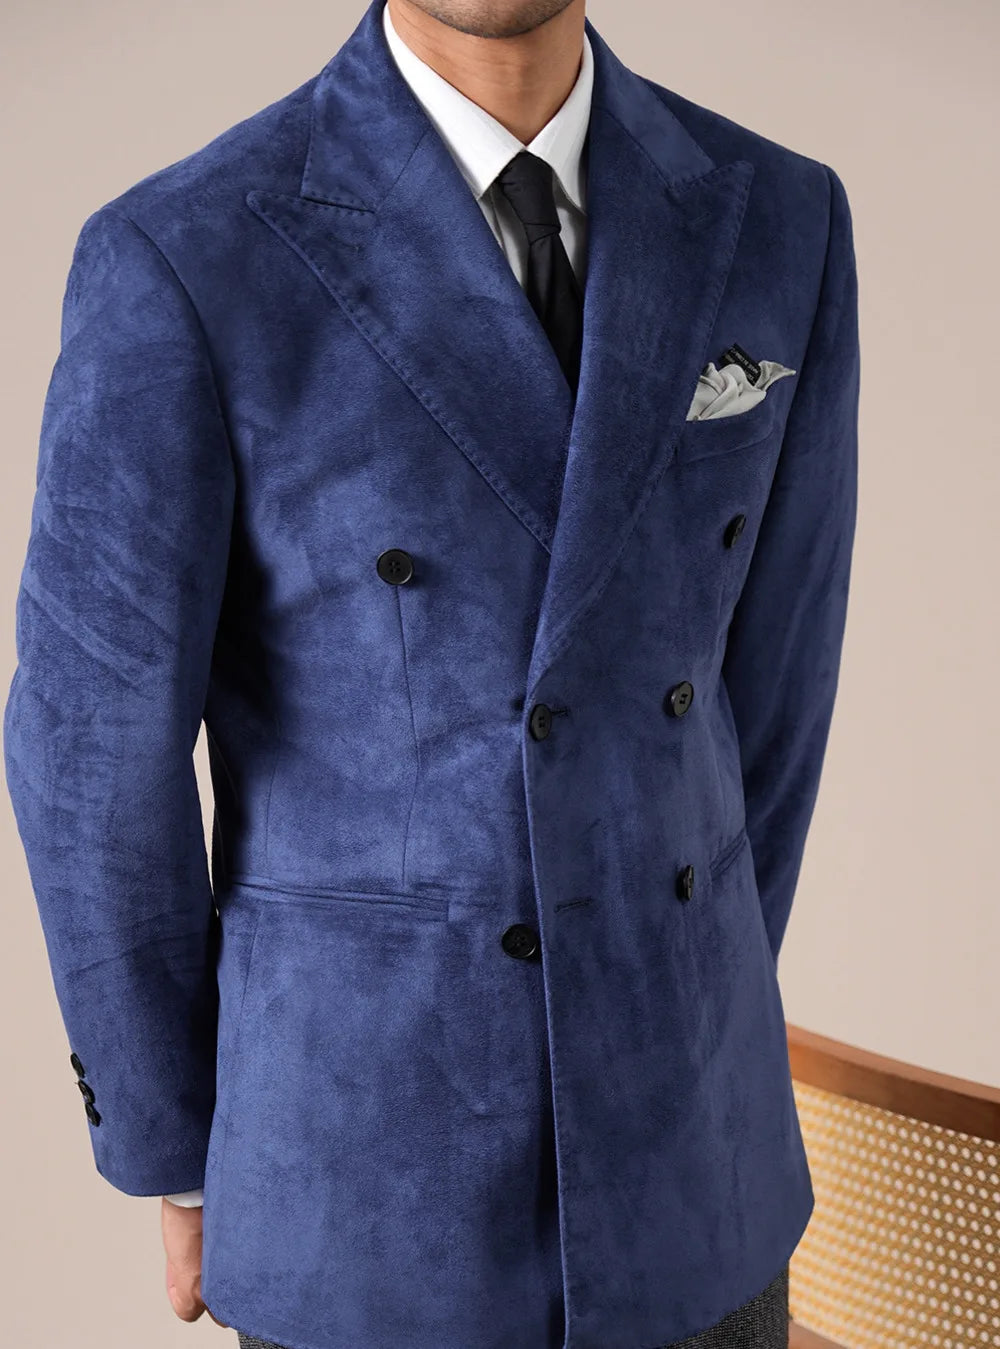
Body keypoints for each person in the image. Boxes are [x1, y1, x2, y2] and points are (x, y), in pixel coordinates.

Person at [3, 0, 859, 1344]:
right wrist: (180, 1144)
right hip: (363, 1187)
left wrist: (684, 994)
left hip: (697, 1176)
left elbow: (778, 692)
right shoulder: (187, 252)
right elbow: (90, 757)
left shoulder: (781, 217)